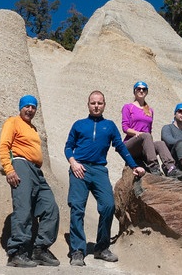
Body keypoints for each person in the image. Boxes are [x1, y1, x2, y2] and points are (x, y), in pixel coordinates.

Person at [64, 91, 146, 266]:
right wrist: (73, 163)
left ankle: (101, 248)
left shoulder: (109, 126)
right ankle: (77, 250)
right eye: (93, 103)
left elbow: (121, 148)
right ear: (88, 104)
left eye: (99, 103)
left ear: (104, 105)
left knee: (108, 206)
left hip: (99, 170)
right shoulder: (79, 124)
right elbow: (68, 147)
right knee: (77, 208)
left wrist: (134, 166)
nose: (96, 106)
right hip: (80, 169)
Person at [0, 95, 60, 267]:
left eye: (33, 107)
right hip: (21, 165)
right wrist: (9, 169)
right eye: (27, 106)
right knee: (23, 208)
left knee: (50, 207)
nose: (30, 110)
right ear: (21, 107)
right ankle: (17, 253)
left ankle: (39, 249)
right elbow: (4, 146)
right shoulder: (13, 122)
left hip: (36, 171)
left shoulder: (32, 128)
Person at [120, 80, 177, 176]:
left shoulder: (150, 111)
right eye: (139, 89)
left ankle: (170, 168)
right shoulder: (128, 107)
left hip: (144, 144)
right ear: (134, 91)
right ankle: (154, 166)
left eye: (144, 89)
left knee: (160, 143)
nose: (141, 91)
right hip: (130, 145)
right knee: (146, 136)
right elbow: (125, 127)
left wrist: (148, 144)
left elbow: (149, 131)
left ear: (146, 92)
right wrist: (136, 133)